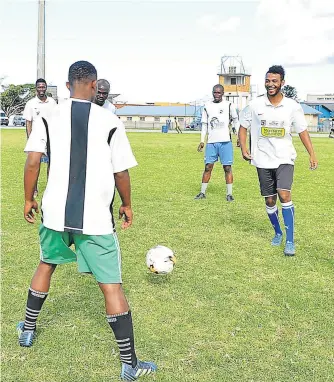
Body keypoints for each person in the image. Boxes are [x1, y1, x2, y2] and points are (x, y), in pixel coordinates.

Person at [17, 61, 157, 381]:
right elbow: (121, 171)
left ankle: (27, 329)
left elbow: (33, 160)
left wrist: (28, 198)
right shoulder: (109, 120)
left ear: (67, 86)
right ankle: (129, 364)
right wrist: (127, 204)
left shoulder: (47, 115)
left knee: (45, 264)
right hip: (95, 218)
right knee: (111, 286)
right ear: (94, 86)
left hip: (53, 212)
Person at [238, 65, 318, 256]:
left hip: (284, 158)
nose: (270, 84)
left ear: (282, 82)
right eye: (268, 81)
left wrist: (312, 154)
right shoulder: (255, 105)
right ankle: (278, 232)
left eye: (274, 81)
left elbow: (302, 131)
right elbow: (243, 126)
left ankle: (290, 241)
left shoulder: (292, 106)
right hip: (262, 159)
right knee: (270, 199)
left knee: (284, 194)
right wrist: (243, 147)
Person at [194, 84, 239, 201]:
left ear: (223, 93)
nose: (217, 95)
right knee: (208, 167)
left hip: (225, 142)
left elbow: (235, 121)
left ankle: (229, 194)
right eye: (215, 92)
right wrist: (202, 141)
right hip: (211, 143)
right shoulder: (207, 106)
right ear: (212, 93)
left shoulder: (229, 105)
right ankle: (202, 192)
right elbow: (204, 125)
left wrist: (238, 136)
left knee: (227, 168)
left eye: (219, 93)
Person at [23, 78, 57, 195]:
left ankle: (50, 188)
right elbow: (28, 122)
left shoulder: (52, 102)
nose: (41, 89)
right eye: (39, 87)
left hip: (51, 138)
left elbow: (56, 120)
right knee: (35, 164)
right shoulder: (31, 104)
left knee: (51, 164)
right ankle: (34, 189)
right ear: (36, 88)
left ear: (46, 88)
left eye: (43, 87)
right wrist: (29, 137)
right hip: (36, 138)